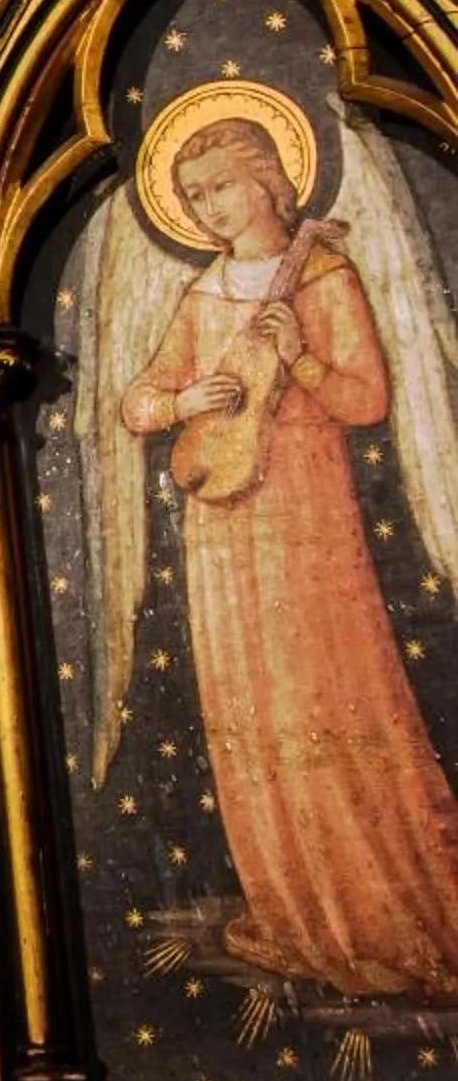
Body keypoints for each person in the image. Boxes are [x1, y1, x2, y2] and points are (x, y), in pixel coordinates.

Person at [117, 117, 458, 999]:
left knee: (329, 691)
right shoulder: (204, 293)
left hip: (307, 516)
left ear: (270, 179)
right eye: (194, 196)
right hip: (222, 524)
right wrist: (184, 395)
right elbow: (138, 403)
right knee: (250, 713)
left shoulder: (323, 276)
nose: (209, 209)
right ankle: (296, 909)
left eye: (221, 187)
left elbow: (368, 398)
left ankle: (378, 912)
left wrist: (300, 359)